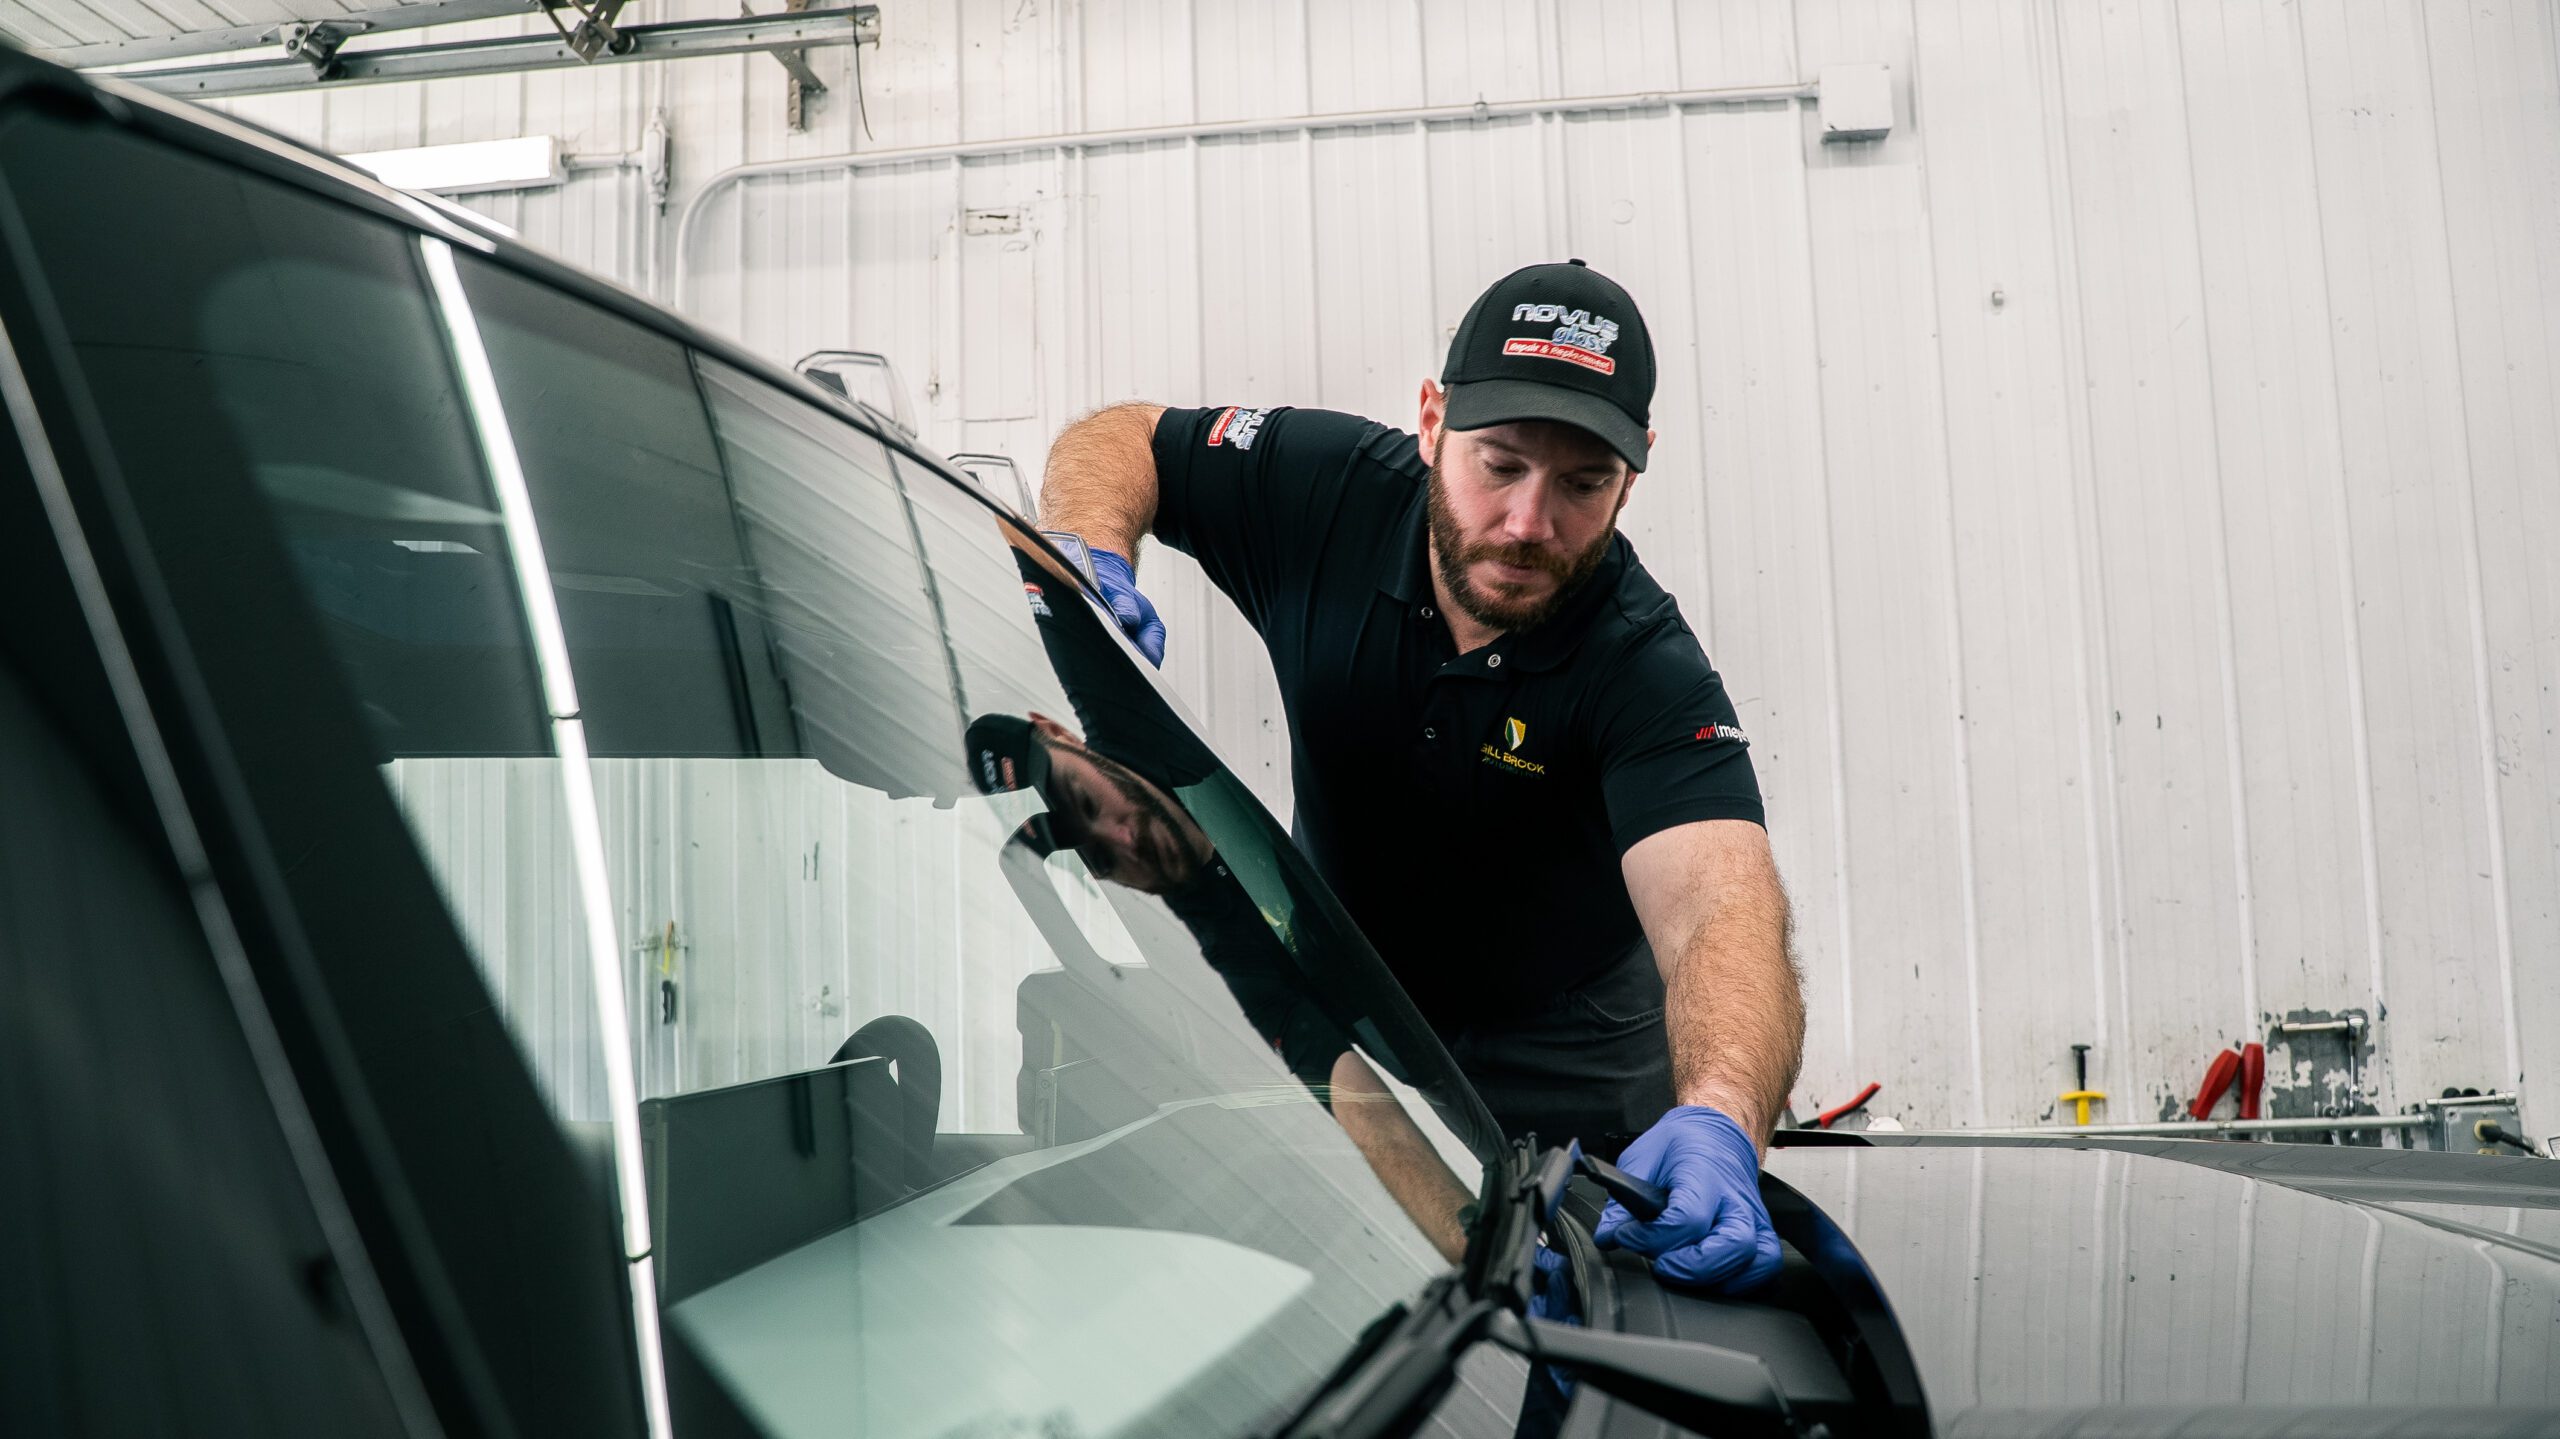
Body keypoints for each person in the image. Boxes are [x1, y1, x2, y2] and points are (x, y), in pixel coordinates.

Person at [1034, 259, 1803, 1293]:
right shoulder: (1323, 490)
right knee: (1342, 1288)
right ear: (1433, 420)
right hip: (1352, 995)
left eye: (1581, 484)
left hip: (1570, 1038)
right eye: (1500, 463)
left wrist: (1717, 1110)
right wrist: (1087, 546)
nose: (1530, 523)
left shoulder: (1643, 664)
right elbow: (1126, 436)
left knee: (1583, 1303)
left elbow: (1724, 909)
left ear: (1635, 469)